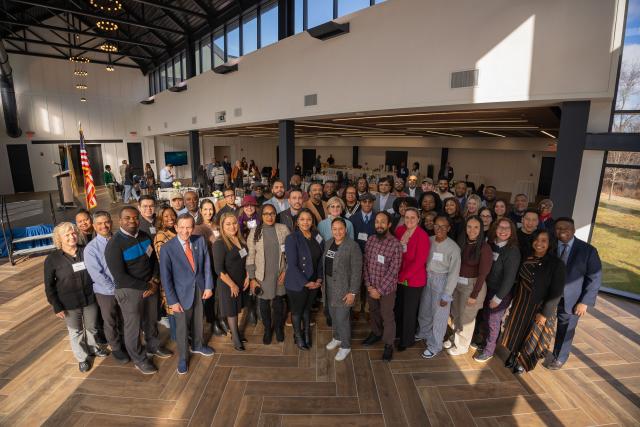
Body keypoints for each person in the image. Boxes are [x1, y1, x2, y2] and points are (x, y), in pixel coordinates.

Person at [104, 207, 172, 375]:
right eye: (127, 218)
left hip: (150, 285)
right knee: (133, 328)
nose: (132, 221)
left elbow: (155, 260)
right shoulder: (114, 244)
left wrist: (155, 280)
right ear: (120, 221)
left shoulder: (145, 236)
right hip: (130, 291)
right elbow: (120, 277)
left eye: (135, 218)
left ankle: (154, 345)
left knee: (150, 320)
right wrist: (147, 286)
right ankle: (140, 359)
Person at [45, 222, 107, 372]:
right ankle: (82, 358)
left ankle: (93, 348)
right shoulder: (52, 259)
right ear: (59, 238)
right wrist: (56, 305)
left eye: (73, 233)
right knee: (76, 331)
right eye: (66, 235)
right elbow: (49, 286)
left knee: (92, 327)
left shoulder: (86, 251)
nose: (71, 236)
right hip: (68, 303)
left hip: (90, 299)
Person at [502, 230, 565, 374]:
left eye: (544, 240)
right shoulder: (526, 256)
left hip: (539, 307)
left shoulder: (556, 264)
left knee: (532, 335)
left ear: (550, 244)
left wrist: (544, 313)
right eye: (537, 239)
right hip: (521, 303)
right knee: (516, 330)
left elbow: (556, 292)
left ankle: (522, 361)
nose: (539, 243)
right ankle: (513, 354)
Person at [160, 214, 215, 374]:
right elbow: (166, 277)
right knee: (182, 328)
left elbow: (206, 265)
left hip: (199, 288)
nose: (185, 231)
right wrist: (172, 301)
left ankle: (198, 345)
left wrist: (208, 286)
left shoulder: (199, 241)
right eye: (182, 227)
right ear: (176, 227)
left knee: (199, 320)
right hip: (180, 295)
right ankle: (183, 358)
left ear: (193, 227)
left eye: (189, 227)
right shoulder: (167, 248)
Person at [545, 217, 602, 370]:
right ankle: (538, 349)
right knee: (541, 323)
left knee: (566, 328)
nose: (562, 231)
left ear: (574, 230)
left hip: (572, 299)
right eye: (558, 228)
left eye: (566, 228)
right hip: (548, 295)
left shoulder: (588, 250)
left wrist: (584, 302)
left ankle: (559, 357)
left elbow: (595, 278)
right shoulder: (548, 245)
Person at [85, 211, 130, 365]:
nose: (104, 226)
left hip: (125, 287)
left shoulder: (121, 240)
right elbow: (96, 274)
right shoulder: (91, 249)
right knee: (110, 320)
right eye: (99, 223)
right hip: (106, 292)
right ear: (94, 226)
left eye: (106, 222)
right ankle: (117, 348)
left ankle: (127, 344)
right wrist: (114, 289)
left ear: (111, 222)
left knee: (125, 318)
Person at [472, 218, 520, 362]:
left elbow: (509, 278)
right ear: (495, 229)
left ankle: (489, 350)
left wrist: (498, 298)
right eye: (500, 227)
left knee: (494, 321)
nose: (503, 231)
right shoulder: (490, 245)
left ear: (511, 232)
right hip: (486, 288)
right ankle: (484, 342)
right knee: (486, 317)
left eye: (507, 228)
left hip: (500, 293)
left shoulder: (513, 251)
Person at [446, 216, 492, 356]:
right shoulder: (461, 243)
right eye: (469, 227)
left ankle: (462, 346)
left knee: (467, 318)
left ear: (481, 229)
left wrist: (474, 295)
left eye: (476, 227)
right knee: (456, 314)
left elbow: (483, 274)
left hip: (473, 286)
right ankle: (455, 337)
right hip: (457, 284)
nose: (472, 230)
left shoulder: (485, 247)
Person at [418, 216, 461, 359]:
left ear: (449, 228)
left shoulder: (453, 248)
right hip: (427, 277)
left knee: (440, 316)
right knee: (425, 308)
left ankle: (435, 345)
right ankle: (424, 331)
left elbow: (454, 273)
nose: (440, 229)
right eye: (437, 225)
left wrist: (447, 294)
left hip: (442, 281)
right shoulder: (429, 240)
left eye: (443, 226)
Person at [362, 211, 403, 361]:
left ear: (389, 224)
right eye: (377, 222)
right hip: (370, 287)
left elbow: (394, 271)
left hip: (386, 290)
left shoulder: (395, 245)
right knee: (373, 312)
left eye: (383, 222)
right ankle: (376, 333)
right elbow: (365, 263)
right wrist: (368, 285)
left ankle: (388, 345)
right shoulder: (371, 240)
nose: (379, 225)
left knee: (387, 316)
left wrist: (379, 290)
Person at [247, 204, 290, 344]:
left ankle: (278, 328)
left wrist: (286, 271)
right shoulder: (254, 232)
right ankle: (267, 329)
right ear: (261, 216)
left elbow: (290, 253)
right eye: (266, 214)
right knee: (264, 304)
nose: (269, 216)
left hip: (279, 274)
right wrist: (252, 278)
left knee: (278, 303)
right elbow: (251, 256)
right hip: (262, 276)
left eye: (272, 213)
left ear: (275, 214)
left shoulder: (283, 229)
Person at [322, 218, 362, 361]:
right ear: (331, 230)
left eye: (340, 229)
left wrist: (352, 292)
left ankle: (345, 346)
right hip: (329, 286)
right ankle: (337, 337)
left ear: (345, 230)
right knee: (333, 315)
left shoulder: (353, 246)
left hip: (344, 288)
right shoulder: (328, 243)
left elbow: (357, 271)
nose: (337, 232)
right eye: (335, 229)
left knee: (342, 318)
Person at [284, 209, 324, 350]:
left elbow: (321, 259)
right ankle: (298, 336)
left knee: (307, 309)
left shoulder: (317, 235)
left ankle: (306, 333)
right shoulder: (292, 238)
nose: (306, 222)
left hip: (314, 281)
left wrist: (319, 279)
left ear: (312, 221)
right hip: (297, 282)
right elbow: (292, 265)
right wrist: (306, 283)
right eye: (302, 219)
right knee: (297, 311)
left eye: (308, 219)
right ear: (297, 222)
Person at [213, 212, 250, 351]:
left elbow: (246, 260)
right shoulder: (219, 243)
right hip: (228, 283)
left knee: (237, 308)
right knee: (231, 311)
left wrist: (247, 276)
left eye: (234, 223)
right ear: (222, 226)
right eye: (228, 224)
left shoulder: (240, 240)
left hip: (241, 281)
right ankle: (235, 338)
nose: (232, 226)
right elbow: (219, 269)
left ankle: (237, 333)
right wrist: (232, 284)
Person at [394, 207, 430, 351]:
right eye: (407, 217)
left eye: (412, 218)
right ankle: (398, 333)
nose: (409, 220)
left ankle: (406, 340)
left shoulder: (422, 236)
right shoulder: (399, 231)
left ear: (418, 219)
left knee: (409, 311)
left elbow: (419, 262)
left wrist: (402, 276)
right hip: (399, 276)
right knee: (399, 307)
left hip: (414, 279)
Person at [193, 199, 226, 336]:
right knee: (210, 296)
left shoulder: (218, 225)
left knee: (220, 294)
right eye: (205, 209)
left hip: (220, 264)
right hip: (207, 266)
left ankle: (221, 318)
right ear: (201, 211)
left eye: (211, 209)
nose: (208, 212)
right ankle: (213, 322)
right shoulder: (197, 228)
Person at [153, 207, 178, 340]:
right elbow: (162, 260)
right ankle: (177, 339)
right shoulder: (161, 236)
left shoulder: (176, 231)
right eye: (166, 216)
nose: (170, 218)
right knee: (173, 311)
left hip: (181, 280)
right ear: (160, 219)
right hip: (171, 279)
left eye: (172, 215)